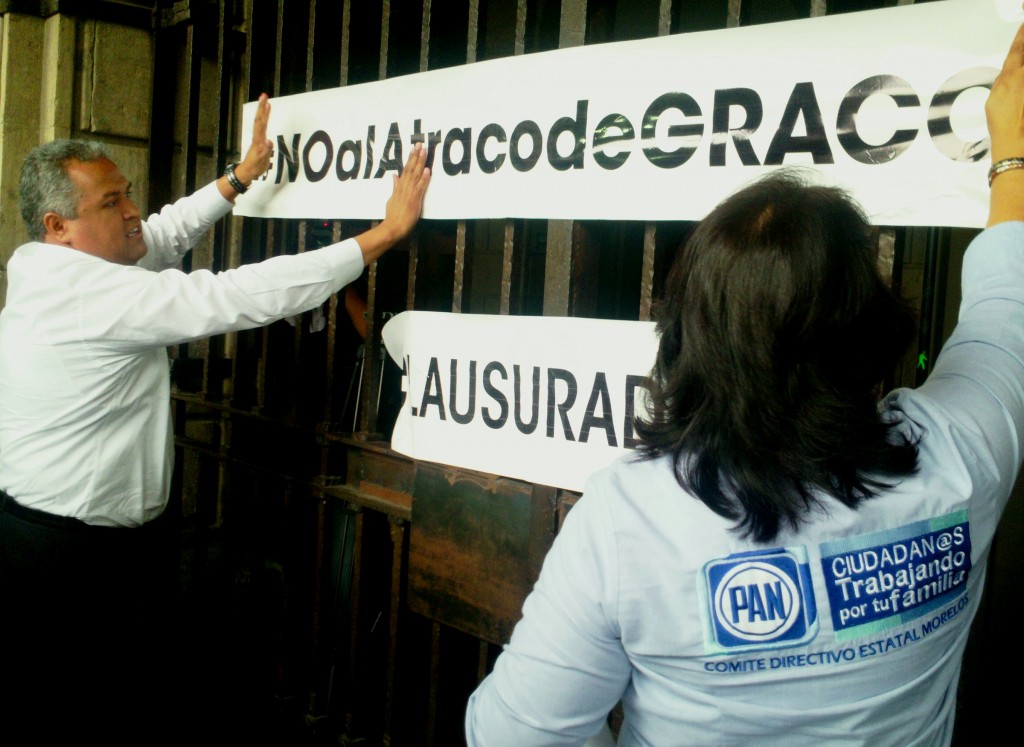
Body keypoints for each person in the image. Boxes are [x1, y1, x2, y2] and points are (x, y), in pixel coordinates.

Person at [465, 22, 1024, 747]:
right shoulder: (961, 454)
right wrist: (1011, 153)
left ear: (686, 339)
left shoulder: (630, 518)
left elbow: (514, 736)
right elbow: (1006, 306)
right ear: (873, 330)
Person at [0, 93, 430, 742]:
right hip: (68, 556)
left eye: (127, 191)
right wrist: (380, 238)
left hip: (94, 542)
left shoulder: (60, 266)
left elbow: (161, 234)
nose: (132, 208)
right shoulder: (87, 294)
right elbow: (234, 296)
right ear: (58, 224)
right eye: (111, 202)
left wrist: (237, 177)